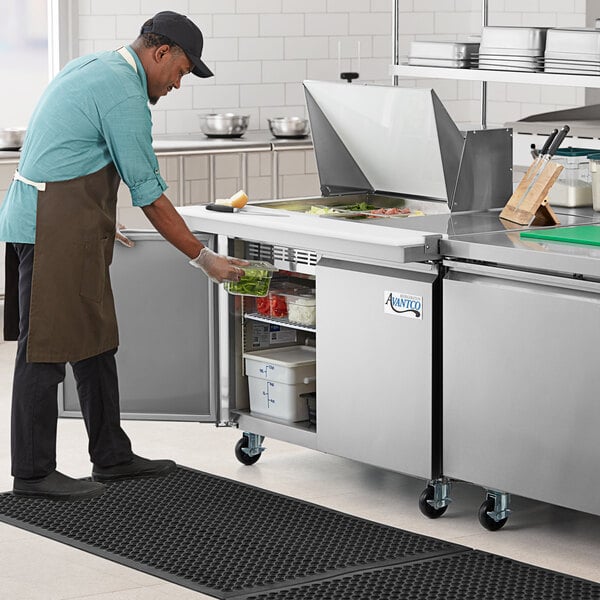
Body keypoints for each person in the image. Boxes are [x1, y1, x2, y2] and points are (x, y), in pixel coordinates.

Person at [0, 11, 247, 501]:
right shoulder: (124, 93)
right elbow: (149, 193)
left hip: (67, 221)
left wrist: (99, 219)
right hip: (51, 228)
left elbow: (67, 151)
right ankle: (31, 473)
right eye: (180, 70)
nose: (179, 83)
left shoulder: (99, 66)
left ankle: (111, 456)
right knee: (44, 349)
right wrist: (205, 260)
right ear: (160, 53)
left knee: (95, 340)